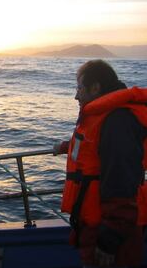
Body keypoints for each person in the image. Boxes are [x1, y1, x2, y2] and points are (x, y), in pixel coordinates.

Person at [58, 60, 147, 267]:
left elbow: (121, 182)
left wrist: (109, 240)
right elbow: (93, 150)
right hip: (97, 225)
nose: (76, 95)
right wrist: (64, 146)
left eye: (79, 88)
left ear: (96, 87)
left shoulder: (117, 121)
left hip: (109, 231)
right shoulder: (107, 118)